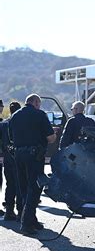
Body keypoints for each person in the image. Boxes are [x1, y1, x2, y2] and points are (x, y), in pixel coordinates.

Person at [9, 94, 56, 235]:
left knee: (23, 188)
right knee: (35, 188)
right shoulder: (39, 115)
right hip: (34, 156)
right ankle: (26, 223)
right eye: (39, 104)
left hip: (18, 155)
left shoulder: (15, 116)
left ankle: (32, 219)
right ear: (35, 102)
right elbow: (51, 138)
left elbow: (11, 137)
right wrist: (53, 135)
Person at [1, 102, 21, 221]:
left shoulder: (3, 124)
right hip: (19, 158)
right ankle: (21, 212)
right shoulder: (21, 123)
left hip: (7, 158)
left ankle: (9, 210)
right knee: (21, 185)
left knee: (10, 185)